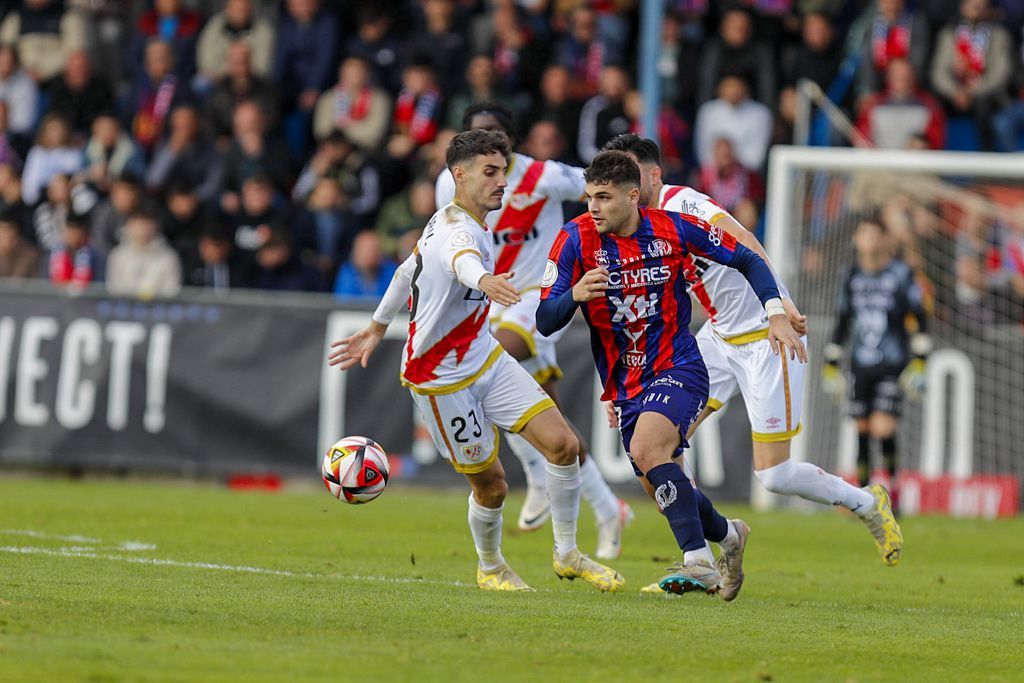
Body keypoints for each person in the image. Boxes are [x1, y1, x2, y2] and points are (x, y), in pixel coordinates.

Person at [329, 129, 624, 593]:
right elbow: (461, 261)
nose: (501, 181)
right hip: (440, 377)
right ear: (459, 175)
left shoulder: (450, 220)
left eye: (503, 170)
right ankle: (490, 567)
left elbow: (409, 269)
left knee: (563, 445)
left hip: (484, 356)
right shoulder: (460, 232)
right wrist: (484, 279)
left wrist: (377, 326)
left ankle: (567, 554)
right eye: (490, 172)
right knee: (492, 487)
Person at [603, 133, 905, 581]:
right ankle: (706, 554)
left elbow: (743, 241)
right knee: (651, 452)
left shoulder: (685, 204)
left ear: (653, 176)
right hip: (717, 338)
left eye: (631, 174)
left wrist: (777, 309)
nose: (624, 186)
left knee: (775, 475)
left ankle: (866, 501)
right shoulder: (633, 230)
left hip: (766, 336)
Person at [536, 150, 803, 596]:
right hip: (625, 385)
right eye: (588, 198)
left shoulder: (673, 228)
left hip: (680, 365)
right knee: (660, 480)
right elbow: (546, 318)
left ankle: (696, 562)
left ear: (633, 195)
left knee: (646, 448)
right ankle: (730, 535)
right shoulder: (574, 240)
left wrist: (775, 312)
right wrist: (576, 295)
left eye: (603, 197)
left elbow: (748, 259)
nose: (593, 208)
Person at [435, 103, 632, 561]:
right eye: (477, 134)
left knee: (486, 365)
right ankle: (607, 508)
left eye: (494, 135)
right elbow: (446, 240)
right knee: (551, 423)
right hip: (485, 299)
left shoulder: (542, 177)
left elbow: (597, 185)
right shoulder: (451, 181)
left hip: (531, 299)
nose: (486, 143)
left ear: (509, 141)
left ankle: (536, 475)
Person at [823, 216, 931, 511]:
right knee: (862, 428)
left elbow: (919, 318)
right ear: (856, 239)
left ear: (884, 240)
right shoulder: (851, 276)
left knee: (883, 429)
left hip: (893, 364)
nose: (869, 240)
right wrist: (831, 362)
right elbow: (843, 321)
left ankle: (893, 493)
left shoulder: (900, 274)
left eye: (875, 234)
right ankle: (862, 500)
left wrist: (921, 361)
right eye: (864, 234)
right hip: (860, 364)